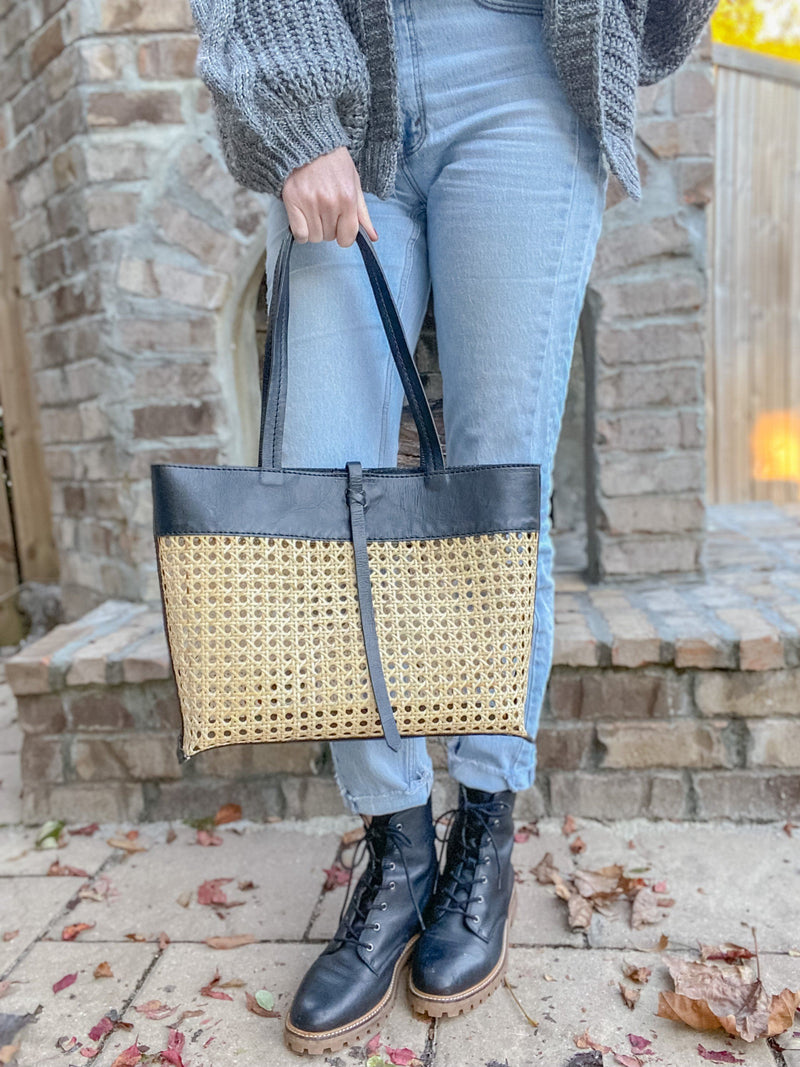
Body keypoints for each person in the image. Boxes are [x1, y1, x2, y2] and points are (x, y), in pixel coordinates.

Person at [188, 0, 718, 1055]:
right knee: (321, 484)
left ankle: (482, 827)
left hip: (525, 77)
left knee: (494, 486)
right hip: (346, 69)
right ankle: (394, 846)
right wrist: (294, 116)